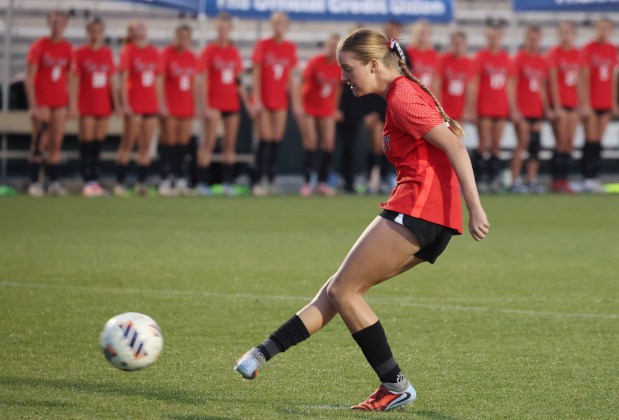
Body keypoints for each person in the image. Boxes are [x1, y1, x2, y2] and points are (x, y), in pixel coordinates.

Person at [234, 28, 489, 412]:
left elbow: (454, 143)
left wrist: (476, 207)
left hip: (418, 210)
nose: (343, 77)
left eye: (348, 68)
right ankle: (260, 355)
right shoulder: (400, 95)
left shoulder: (402, 96)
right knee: (339, 290)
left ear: (373, 65)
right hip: (431, 218)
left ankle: (395, 385)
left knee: (344, 291)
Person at [196, 12, 250, 197]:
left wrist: (248, 104)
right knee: (209, 143)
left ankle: (227, 183)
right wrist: (204, 106)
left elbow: (238, 80)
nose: (223, 31)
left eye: (226, 28)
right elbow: (202, 79)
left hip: (231, 103)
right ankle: (201, 183)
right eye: (220, 28)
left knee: (229, 145)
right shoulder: (209, 51)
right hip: (214, 103)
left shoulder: (233, 52)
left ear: (230, 30)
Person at [251, 12, 301, 196]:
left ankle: (271, 179)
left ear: (287, 25)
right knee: (264, 138)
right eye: (276, 22)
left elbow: (290, 78)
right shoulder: (263, 45)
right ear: (271, 25)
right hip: (264, 99)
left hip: (280, 100)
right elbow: (256, 74)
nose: (279, 25)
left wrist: (295, 104)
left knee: (275, 139)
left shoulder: (289, 47)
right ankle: (258, 180)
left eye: (282, 22)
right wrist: (257, 99)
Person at [70, 16, 119, 197]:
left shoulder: (106, 53)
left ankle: (95, 179)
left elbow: (112, 80)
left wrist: (116, 104)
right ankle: (87, 180)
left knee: (98, 143)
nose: (95, 35)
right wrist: (73, 105)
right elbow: (75, 80)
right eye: (92, 31)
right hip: (87, 102)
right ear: (88, 32)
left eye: (98, 31)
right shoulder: (81, 53)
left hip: (103, 103)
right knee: (87, 142)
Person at [25, 10, 72, 197]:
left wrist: (69, 103)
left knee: (56, 143)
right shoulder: (39, 46)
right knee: (39, 142)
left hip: (59, 102)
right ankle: (34, 181)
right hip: (43, 101)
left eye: (60, 23)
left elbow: (68, 78)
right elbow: (30, 78)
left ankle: (54, 181)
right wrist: (33, 104)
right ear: (48, 24)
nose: (57, 26)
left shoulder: (67, 48)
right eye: (54, 22)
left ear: (65, 25)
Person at [114, 20, 161, 197]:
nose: (140, 32)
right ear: (131, 33)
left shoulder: (154, 52)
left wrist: (158, 104)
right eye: (136, 30)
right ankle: (120, 183)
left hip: (150, 104)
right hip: (134, 104)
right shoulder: (128, 51)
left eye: (142, 28)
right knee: (128, 143)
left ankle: (141, 183)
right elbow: (124, 79)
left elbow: (157, 81)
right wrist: (125, 104)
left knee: (146, 146)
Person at [298, 33, 342, 197]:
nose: (333, 49)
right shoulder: (316, 62)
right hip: (310, 106)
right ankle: (308, 181)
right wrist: (299, 106)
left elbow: (337, 88)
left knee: (329, 143)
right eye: (331, 45)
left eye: (337, 46)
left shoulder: (339, 66)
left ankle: (323, 182)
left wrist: (335, 108)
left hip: (326, 107)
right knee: (311, 142)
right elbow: (301, 83)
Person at [469, 20, 511, 193]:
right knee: (483, 144)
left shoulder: (505, 58)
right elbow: (473, 83)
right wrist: (471, 109)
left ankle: (493, 178)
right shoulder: (481, 57)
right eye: (491, 36)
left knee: (496, 145)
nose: (494, 39)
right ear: (486, 37)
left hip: (500, 106)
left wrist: (510, 107)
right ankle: (478, 179)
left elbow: (509, 85)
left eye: (497, 36)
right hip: (485, 106)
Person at [158, 24, 198, 197]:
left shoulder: (191, 57)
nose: (183, 40)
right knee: (169, 142)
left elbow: (195, 83)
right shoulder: (166, 54)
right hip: (171, 105)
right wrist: (162, 105)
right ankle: (166, 178)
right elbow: (160, 81)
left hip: (186, 106)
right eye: (180, 36)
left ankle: (181, 178)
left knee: (183, 144)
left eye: (186, 37)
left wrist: (196, 104)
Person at [507, 25, 549, 194]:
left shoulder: (541, 60)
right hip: (523, 110)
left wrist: (546, 108)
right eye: (531, 38)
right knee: (522, 143)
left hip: (536, 110)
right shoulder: (519, 58)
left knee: (535, 145)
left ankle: (531, 179)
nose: (534, 42)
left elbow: (542, 87)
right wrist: (514, 110)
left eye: (537, 39)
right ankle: (515, 179)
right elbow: (511, 84)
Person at [579, 18, 618, 193]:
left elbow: (613, 79)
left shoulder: (613, 50)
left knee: (599, 142)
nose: (604, 31)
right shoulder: (588, 49)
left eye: (607, 29)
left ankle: (595, 177)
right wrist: (585, 103)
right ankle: (586, 177)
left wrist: (614, 102)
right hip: (592, 103)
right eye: (601, 28)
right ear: (596, 29)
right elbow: (584, 78)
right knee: (590, 139)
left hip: (605, 102)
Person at [547, 21, 582, 193]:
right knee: (560, 142)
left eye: (569, 32)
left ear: (574, 35)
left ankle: (564, 180)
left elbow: (581, 81)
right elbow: (552, 81)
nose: (565, 35)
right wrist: (557, 105)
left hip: (573, 103)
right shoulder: (554, 53)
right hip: (561, 104)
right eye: (563, 32)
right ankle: (556, 180)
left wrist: (581, 103)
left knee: (569, 143)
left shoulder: (577, 54)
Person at [436, 31, 471, 123]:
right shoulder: (443, 60)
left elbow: (469, 88)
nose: (458, 46)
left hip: (459, 109)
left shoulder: (468, 63)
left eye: (461, 43)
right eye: (456, 43)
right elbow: (437, 84)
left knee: (458, 136)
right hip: (445, 108)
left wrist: (467, 110)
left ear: (465, 45)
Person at [406, 20, 439, 93]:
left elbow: (435, 79)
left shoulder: (433, 54)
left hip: (428, 93)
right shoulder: (409, 52)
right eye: (421, 32)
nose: (423, 35)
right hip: (414, 92)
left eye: (425, 32)